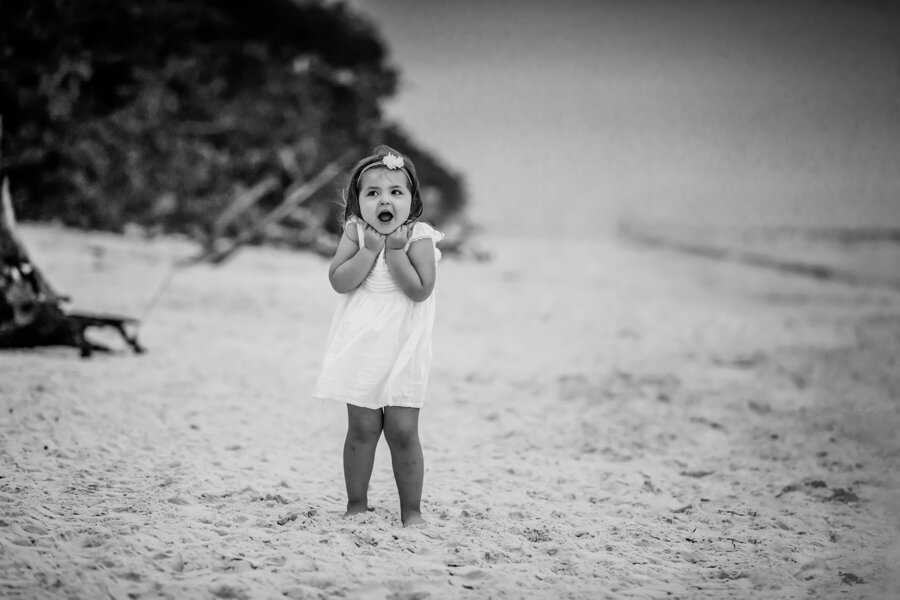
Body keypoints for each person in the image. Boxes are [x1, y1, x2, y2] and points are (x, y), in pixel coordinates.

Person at [313, 145, 443, 527]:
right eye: (372, 193)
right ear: (358, 202)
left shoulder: (419, 237)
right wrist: (369, 251)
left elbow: (420, 290)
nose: (384, 200)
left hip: (404, 345)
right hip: (363, 345)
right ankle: (356, 505)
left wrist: (396, 252)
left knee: (403, 431)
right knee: (363, 429)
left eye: (395, 192)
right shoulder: (356, 233)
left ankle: (411, 511)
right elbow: (339, 281)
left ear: (412, 201)